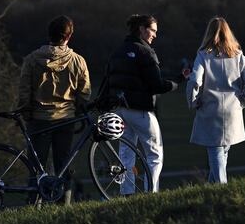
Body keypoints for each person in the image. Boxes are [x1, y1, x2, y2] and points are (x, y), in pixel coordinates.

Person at [106, 14, 181, 192]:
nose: (154, 35)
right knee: (154, 155)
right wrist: (178, 81)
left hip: (120, 110)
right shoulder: (146, 52)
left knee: (126, 155)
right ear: (141, 29)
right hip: (141, 111)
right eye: (152, 30)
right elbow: (156, 85)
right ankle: (151, 193)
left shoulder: (118, 51)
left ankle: (127, 193)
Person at [17, 15, 91, 194]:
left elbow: (24, 91)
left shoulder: (32, 60)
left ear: (49, 34)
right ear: (68, 36)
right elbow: (85, 92)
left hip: (38, 119)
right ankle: (62, 201)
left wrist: (25, 113)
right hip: (66, 119)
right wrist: (80, 110)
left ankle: (34, 200)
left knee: (36, 166)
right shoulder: (78, 61)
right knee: (63, 164)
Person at [187, 17, 245, 184]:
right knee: (223, 151)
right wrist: (244, 100)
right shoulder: (238, 55)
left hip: (211, 108)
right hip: (233, 108)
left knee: (216, 151)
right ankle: (212, 188)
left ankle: (220, 187)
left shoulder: (203, 55)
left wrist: (193, 100)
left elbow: (194, 81)